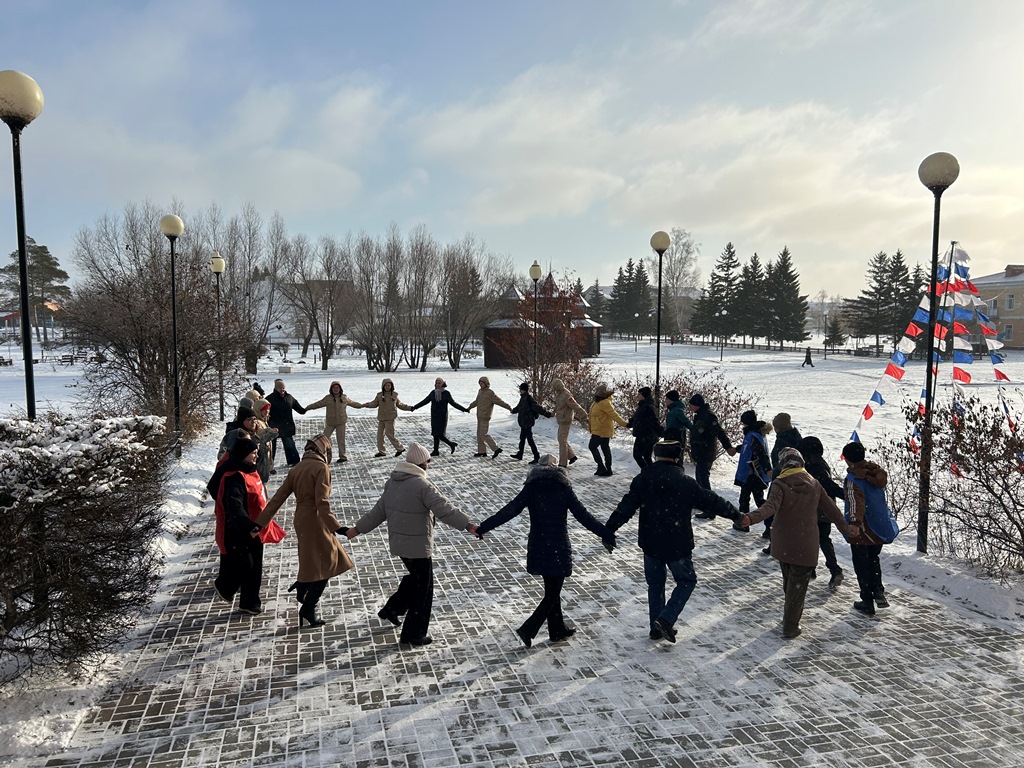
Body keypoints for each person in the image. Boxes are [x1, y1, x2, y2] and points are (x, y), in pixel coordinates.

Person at [606, 439, 741, 643]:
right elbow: (711, 501)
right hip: (678, 544)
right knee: (687, 581)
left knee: (656, 585)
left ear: (655, 456)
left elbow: (626, 506)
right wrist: (736, 515)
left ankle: (656, 628)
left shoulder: (644, 479)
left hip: (651, 543)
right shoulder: (685, 483)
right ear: (676, 458)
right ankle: (667, 619)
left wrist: (609, 529)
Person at [345, 443, 479, 646]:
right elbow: (446, 510)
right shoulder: (422, 486)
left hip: (400, 544)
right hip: (417, 546)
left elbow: (378, 512)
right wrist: (468, 525)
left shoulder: (393, 483)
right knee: (424, 589)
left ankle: (392, 609)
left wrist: (357, 529)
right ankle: (412, 634)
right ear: (421, 463)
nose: (429, 464)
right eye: (428, 461)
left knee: (416, 579)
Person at [477, 454, 615, 648]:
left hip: (539, 544)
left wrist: (484, 527)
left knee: (552, 589)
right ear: (557, 469)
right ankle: (529, 628)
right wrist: (605, 533)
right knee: (552, 592)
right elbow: (583, 515)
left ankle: (557, 630)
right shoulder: (563, 487)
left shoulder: (531, 488)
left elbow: (509, 510)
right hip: (558, 545)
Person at [739, 447, 854, 638]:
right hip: (805, 542)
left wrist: (751, 518)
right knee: (797, 586)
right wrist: (846, 530)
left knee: (790, 582)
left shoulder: (780, 483)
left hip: (783, 541)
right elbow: (832, 509)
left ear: (783, 464)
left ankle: (790, 617)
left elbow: (770, 507)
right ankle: (791, 626)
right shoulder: (814, 484)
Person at [253, 435, 354, 628]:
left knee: (317, 560)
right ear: (324, 451)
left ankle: (303, 584)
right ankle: (307, 605)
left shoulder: (297, 469)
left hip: (301, 518)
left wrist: (260, 523)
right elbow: (322, 502)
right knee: (327, 563)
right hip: (316, 519)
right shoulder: (321, 468)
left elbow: (277, 499)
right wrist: (337, 527)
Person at [209, 436, 267, 615]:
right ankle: (225, 586)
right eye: (253, 454)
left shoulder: (250, 470)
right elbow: (234, 505)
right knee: (245, 564)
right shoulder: (233, 476)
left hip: (254, 525)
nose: (256, 457)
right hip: (238, 528)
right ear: (243, 454)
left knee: (255, 564)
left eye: (257, 453)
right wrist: (247, 525)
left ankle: (249, 603)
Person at [842, 441, 891, 616]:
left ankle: (867, 601)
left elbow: (856, 503)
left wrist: (854, 523)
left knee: (862, 564)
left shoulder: (854, 479)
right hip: (880, 526)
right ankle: (878, 591)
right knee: (873, 559)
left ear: (848, 460)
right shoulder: (875, 473)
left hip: (863, 528)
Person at [800, 436, 846, 589]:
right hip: (826, 509)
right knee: (823, 539)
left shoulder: (812, 466)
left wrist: (846, 495)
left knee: (809, 538)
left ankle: (814, 568)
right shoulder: (821, 463)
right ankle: (832, 569)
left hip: (813, 509)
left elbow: (827, 485)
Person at [762, 412, 804, 551]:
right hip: (793, 478)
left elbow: (780, 460)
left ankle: (775, 541)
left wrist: (776, 473)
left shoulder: (783, 440)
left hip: (782, 479)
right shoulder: (796, 437)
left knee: (776, 510)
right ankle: (775, 539)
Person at [687, 393, 735, 493]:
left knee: (703, 478)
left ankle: (708, 499)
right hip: (701, 451)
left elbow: (719, 432)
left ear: (697, 405)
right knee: (700, 477)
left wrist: (728, 447)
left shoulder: (708, 416)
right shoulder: (700, 415)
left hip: (706, 451)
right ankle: (702, 498)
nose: (690, 407)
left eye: (691, 405)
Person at [733, 410, 772, 532]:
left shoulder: (753, 436)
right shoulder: (756, 434)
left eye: (743, 423)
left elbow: (761, 454)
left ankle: (744, 524)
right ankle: (769, 527)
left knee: (749, 500)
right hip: (753, 474)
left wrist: (768, 469)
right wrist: (738, 449)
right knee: (756, 500)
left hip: (753, 474)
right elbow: (748, 448)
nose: (743, 426)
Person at [305, 381, 363, 463]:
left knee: (341, 440)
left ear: (340, 389)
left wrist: (362, 405)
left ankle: (343, 456)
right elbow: (318, 404)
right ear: (331, 389)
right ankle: (322, 455)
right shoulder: (328, 398)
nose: (336, 389)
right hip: (330, 422)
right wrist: (308, 407)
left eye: (337, 388)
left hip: (341, 422)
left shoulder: (344, 397)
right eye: (334, 388)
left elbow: (353, 403)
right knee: (324, 438)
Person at [412, 378, 469, 456]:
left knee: (440, 434)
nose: (437, 384)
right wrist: (415, 407)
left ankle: (451, 444)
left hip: (442, 416)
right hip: (434, 416)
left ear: (443, 384)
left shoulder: (446, 393)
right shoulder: (433, 393)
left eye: (439, 383)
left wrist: (464, 409)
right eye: (436, 383)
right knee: (435, 434)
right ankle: (436, 451)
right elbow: (424, 401)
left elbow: (453, 403)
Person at [363, 378, 413, 458]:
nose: (387, 387)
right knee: (380, 435)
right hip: (382, 418)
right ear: (383, 386)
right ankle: (382, 451)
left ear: (391, 386)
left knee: (390, 434)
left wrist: (410, 408)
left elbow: (400, 405)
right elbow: (374, 403)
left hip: (390, 418)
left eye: (389, 385)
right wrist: (368, 404)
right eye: (386, 385)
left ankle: (400, 448)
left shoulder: (394, 395)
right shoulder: (379, 395)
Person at [588, 382, 628, 477]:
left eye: (597, 391)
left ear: (602, 393)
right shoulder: (597, 401)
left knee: (592, 446)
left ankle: (602, 467)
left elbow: (614, 415)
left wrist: (625, 424)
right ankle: (607, 469)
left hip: (601, 430)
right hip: (599, 429)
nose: (595, 392)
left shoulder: (605, 403)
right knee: (605, 448)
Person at [467, 376, 512, 458]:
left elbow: (500, 402)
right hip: (479, 416)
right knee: (479, 435)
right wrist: (469, 407)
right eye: (479, 383)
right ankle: (482, 451)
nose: (481, 385)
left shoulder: (490, 393)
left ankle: (495, 448)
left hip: (485, 416)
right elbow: (476, 401)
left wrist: (509, 407)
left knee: (483, 434)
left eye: (482, 383)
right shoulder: (480, 391)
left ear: (486, 384)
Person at [266, 378, 307, 467]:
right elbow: (264, 411)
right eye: (280, 388)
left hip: (286, 426)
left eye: (283, 387)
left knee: (289, 445)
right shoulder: (270, 399)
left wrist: (304, 410)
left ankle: (294, 461)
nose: (282, 389)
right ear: (276, 389)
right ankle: (269, 464)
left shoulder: (289, 397)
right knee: (271, 447)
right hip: (274, 426)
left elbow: (297, 406)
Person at [510, 382, 552, 463]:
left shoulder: (529, 399)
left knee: (530, 440)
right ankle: (520, 454)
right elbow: (519, 407)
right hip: (523, 422)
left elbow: (537, 408)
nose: (520, 391)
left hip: (527, 422)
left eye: (521, 390)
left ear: (524, 390)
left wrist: (547, 414)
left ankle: (536, 456)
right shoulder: (523, 398)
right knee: (522, 438)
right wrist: (513, 410)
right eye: (520, 390)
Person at [551, 379, 589, 468]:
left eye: (554, 387)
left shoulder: (566, 395)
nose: (554, 389)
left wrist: (584, 415)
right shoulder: (559, 394)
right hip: (561, 419)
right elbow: (558, 405)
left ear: (558, 386)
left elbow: (575, 406)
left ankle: (563, 463)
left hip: (566, 420)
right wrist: (553, 412)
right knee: (561, 439)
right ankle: (572, 456)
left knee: (562, 441)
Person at [627, 386, 663, 468]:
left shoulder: (647, 407)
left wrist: (660, 431)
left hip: (645, 435)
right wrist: (630, 423)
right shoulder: (643, 405)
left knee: (637, 455)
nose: (637, 396)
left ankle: (647, 473)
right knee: (646, 456)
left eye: (639, 394)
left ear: (644, 395)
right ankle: (651, 474)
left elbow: (653, 421)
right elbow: (638, 418)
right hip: (646, 435)